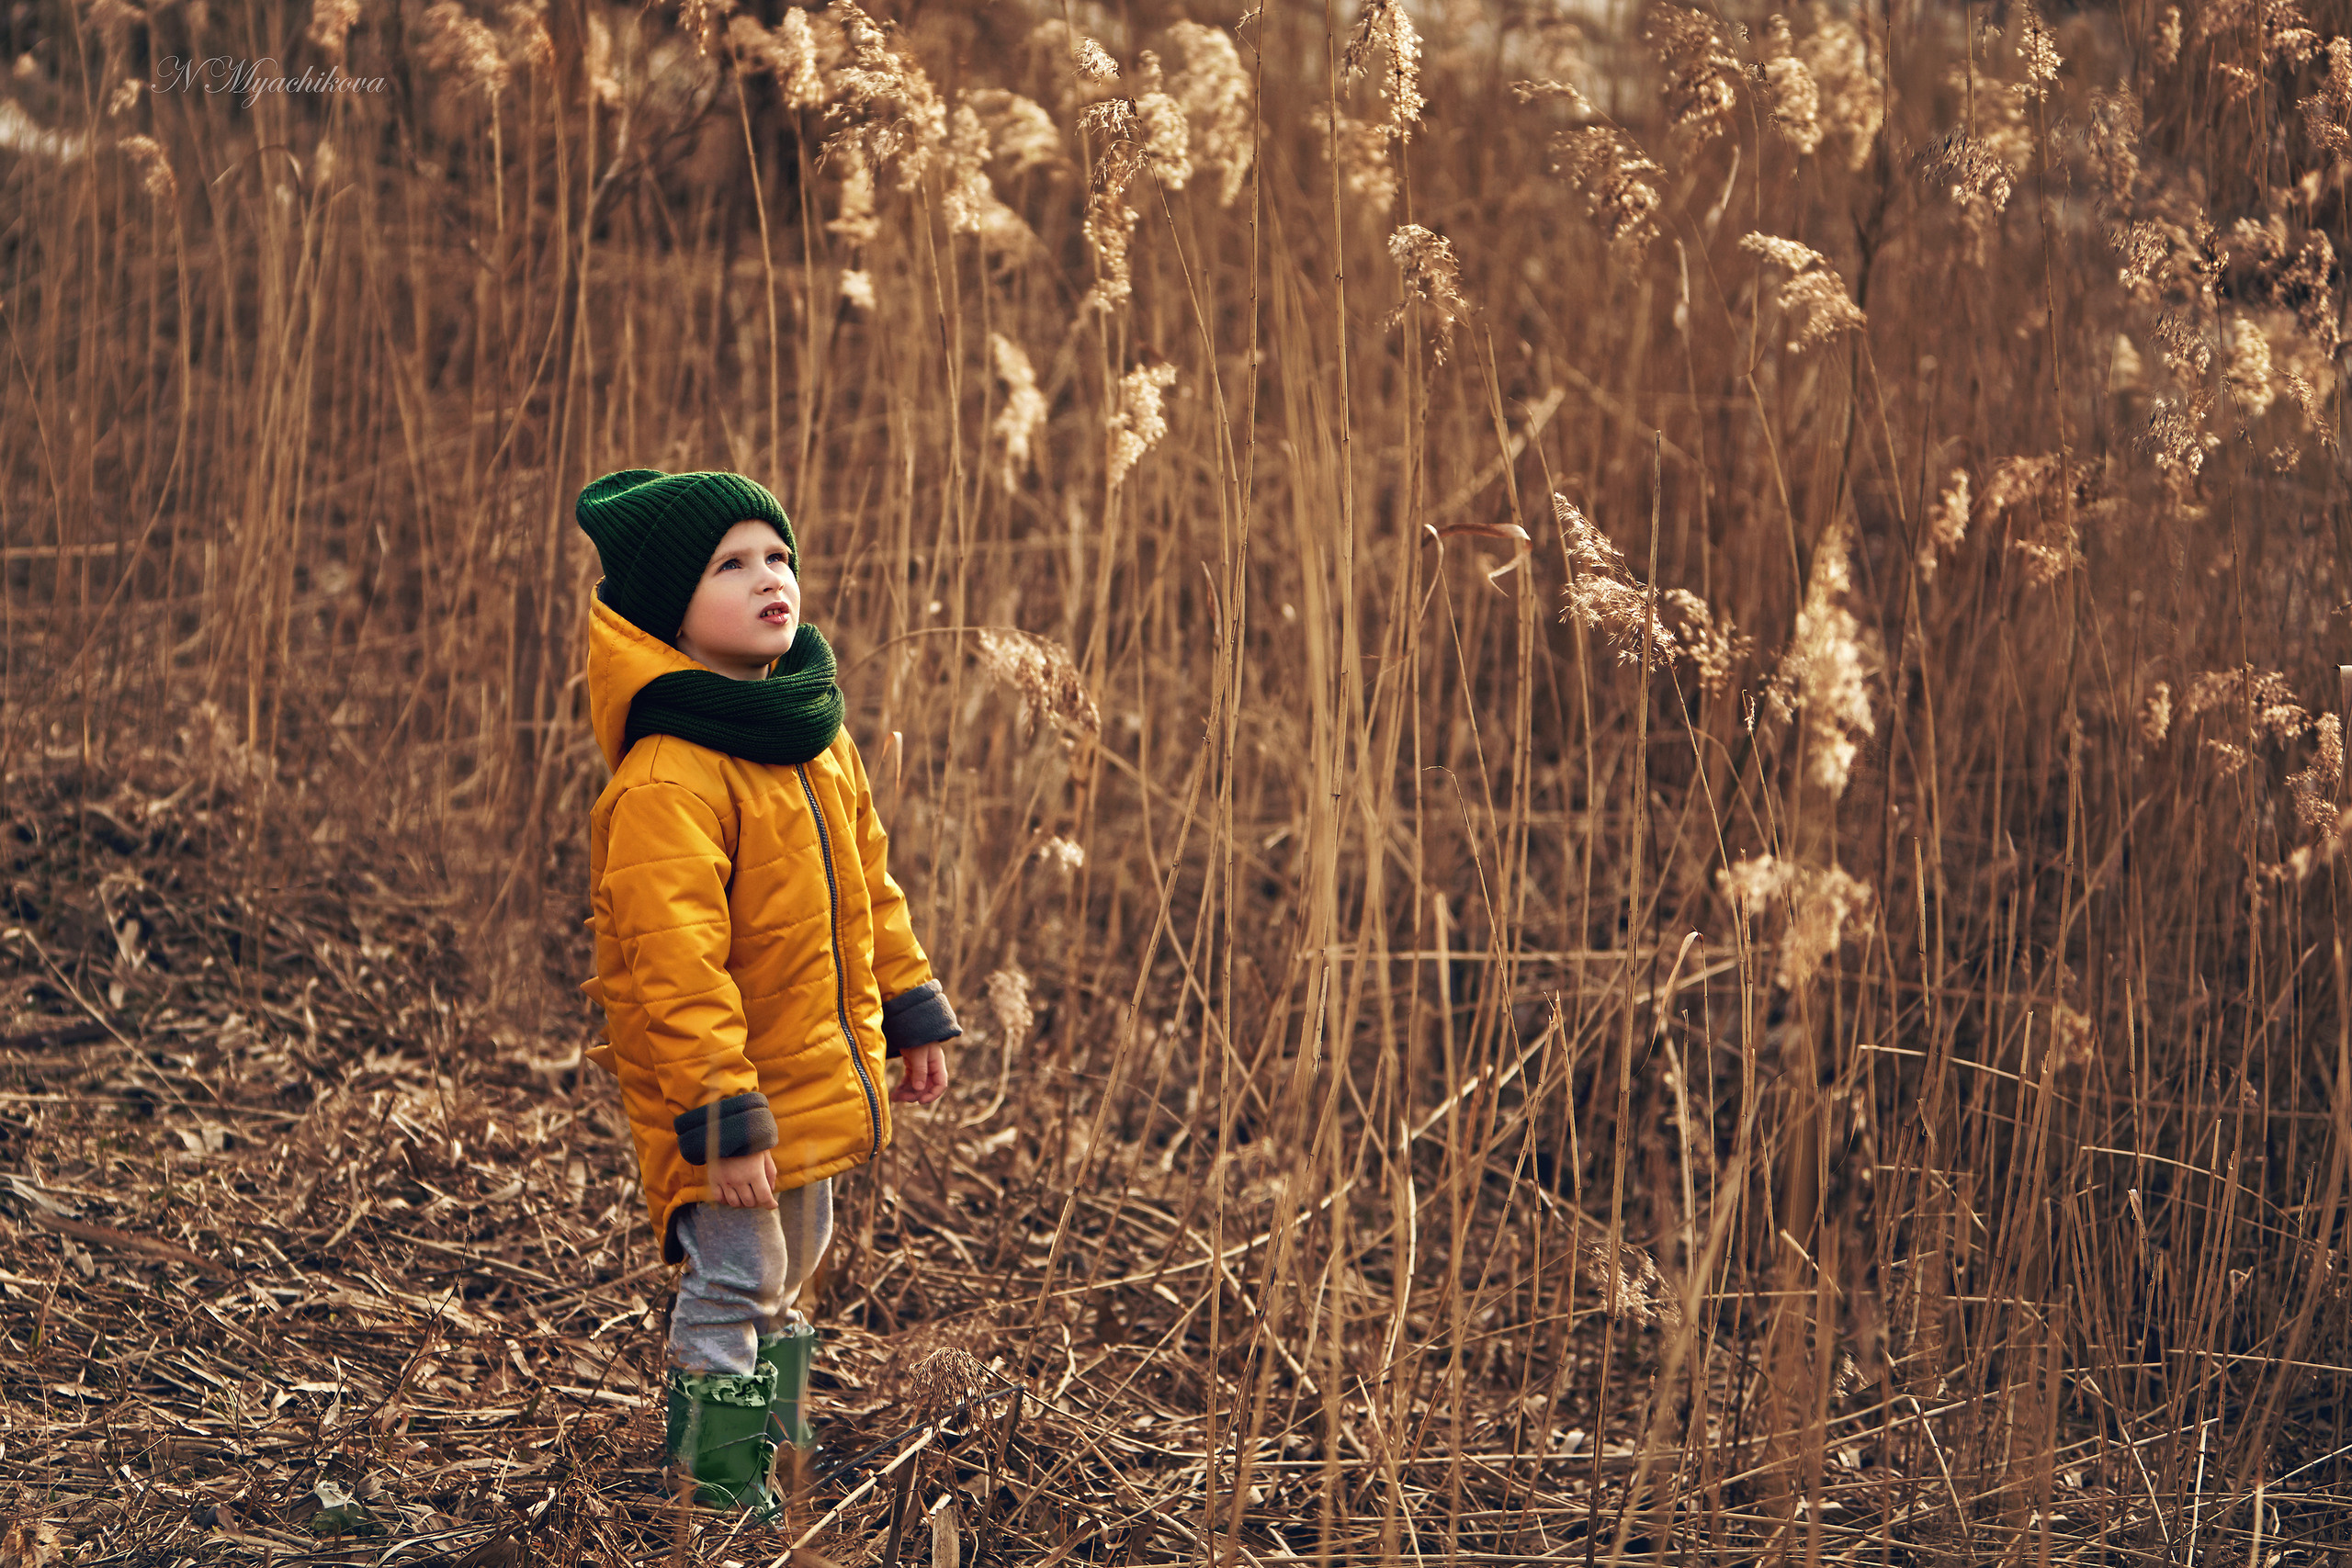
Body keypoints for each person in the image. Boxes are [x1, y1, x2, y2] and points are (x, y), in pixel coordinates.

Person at [571, 468, 959, 1517]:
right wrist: (722, 1118)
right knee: (736, 1282)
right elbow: (672, 967)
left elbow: (870, 886)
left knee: (793, 1275)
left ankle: (772, 1462)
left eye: (777, 556)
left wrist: (910, 1010)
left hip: (809, 1078)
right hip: (728, 1104)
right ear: (667, 616)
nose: (767, 578)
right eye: (730, 565)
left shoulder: (813, 737)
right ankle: (721, 1485)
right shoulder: (667, 778)